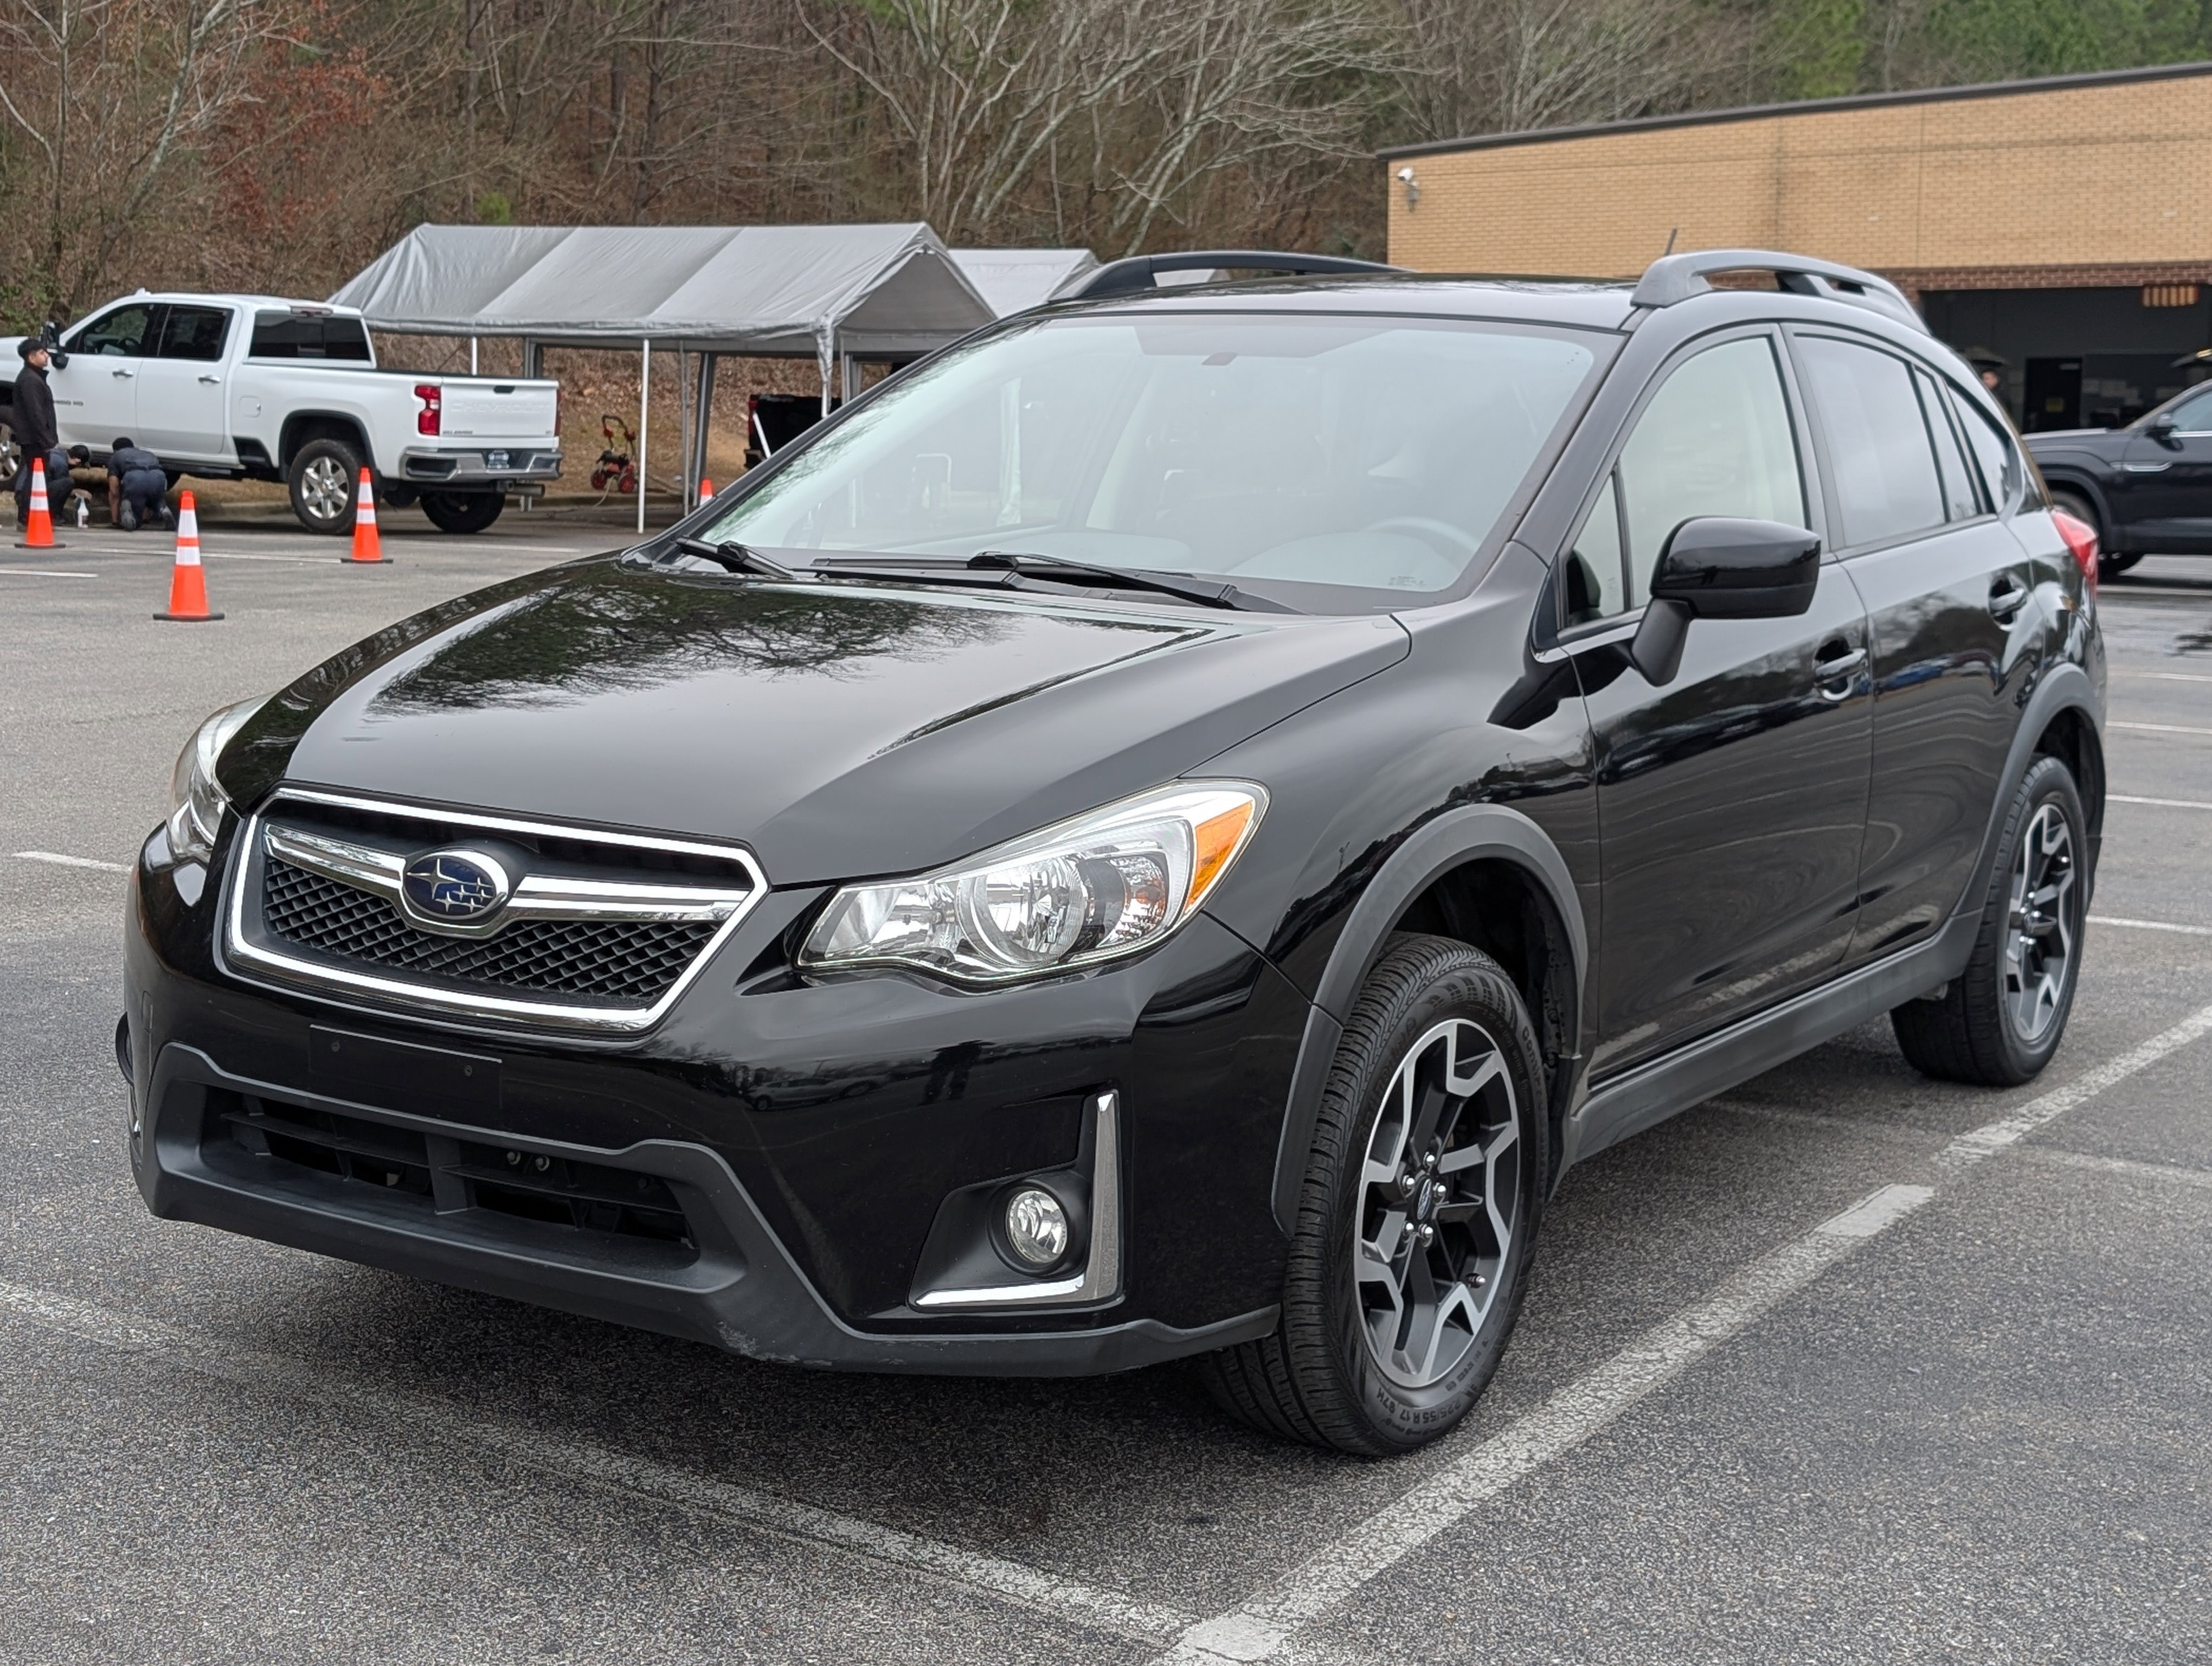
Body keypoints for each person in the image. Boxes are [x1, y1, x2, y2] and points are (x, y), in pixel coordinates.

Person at [10, 339, 59, 532]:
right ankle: (26, 518)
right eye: (42, 353)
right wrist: (46, 438)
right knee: (35, 478)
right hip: (35, 439)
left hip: (37, 438)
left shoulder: (34, 378)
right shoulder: (30, 380)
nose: (47, 355)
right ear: (31, 357)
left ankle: (30, 517)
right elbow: (35, 413)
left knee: (37, 477)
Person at [106, 436, 174, 532]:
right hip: (158, 476)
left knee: (135, 504)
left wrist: (115, 519)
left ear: (116, 450)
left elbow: (114, 490)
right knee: (156, 499)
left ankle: (133, 519)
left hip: (135, 477)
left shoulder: (116, 456)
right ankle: (162, 509)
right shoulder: (148, 454)